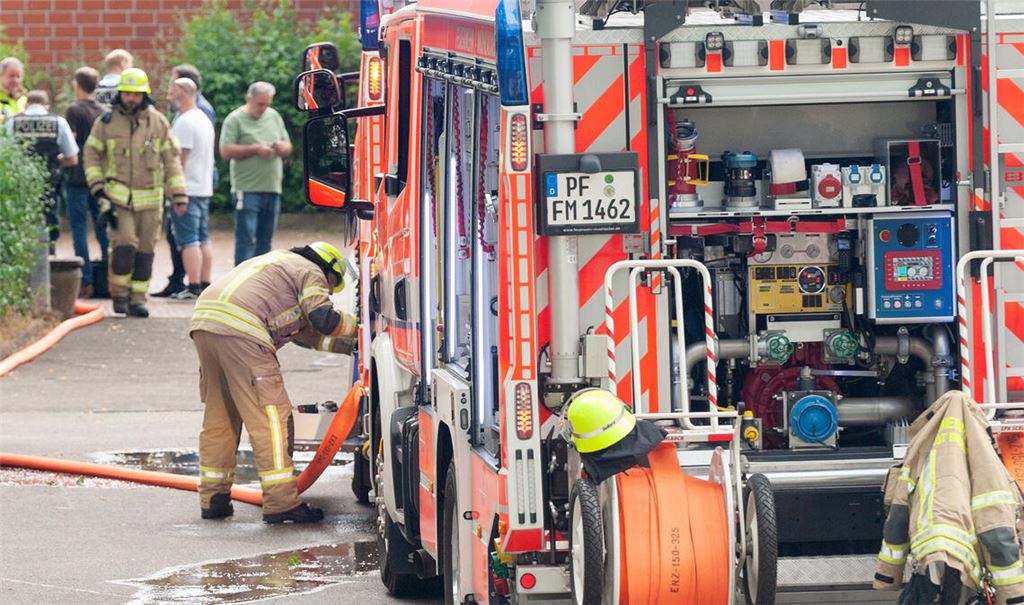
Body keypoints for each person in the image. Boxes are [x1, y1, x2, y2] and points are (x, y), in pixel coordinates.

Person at [189, 242, 358, 523]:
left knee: (221, 418)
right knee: (271, 417)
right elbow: (323, 319)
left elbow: (309, 334)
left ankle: (214, 498)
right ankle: (281, 502)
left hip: (206, 323)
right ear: (328, 269)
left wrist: (351, 345)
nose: (329, 291)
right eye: (332, 285)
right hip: (243, 330)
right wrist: (365, 326)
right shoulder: (311, 271)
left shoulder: (278, 266)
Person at [83, 68, 187, 318]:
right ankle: (119, 294)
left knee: (146, 250)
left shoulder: (157, 122)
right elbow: (91, 154)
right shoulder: (105, 123)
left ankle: (138, 299)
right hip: (119, 199)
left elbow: (171, 160)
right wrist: (98, 187)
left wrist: (179, 194)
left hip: (151, 200)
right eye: (127, 93)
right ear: (120, 94)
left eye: (136, 94)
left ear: (144, 96)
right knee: (124, 245)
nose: (131, 98)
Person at [154, 63, 217, 299]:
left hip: (187, 189)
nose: (169, 95)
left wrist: (172, 188)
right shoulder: (203, 119)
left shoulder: (184, 122)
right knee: (203, 238)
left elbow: (179, 160)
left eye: (171, 91)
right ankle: (205, 283)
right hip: (203, 188)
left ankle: (193, 287)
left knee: (188, 241)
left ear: (181, 93)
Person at [219, 81, 292, 266]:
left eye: (267, 103)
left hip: (273, 187)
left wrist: (282, 147)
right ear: (248, 99)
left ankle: (260, 279)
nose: (264, 108)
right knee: (246, 239)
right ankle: (241, 281)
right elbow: (225, 151)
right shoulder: (234, 119)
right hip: (247, 188)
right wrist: (256, 149)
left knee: (265, 240)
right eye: (260, 104)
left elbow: (288, 145)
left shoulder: (274, 116)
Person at [7, 90, 79, 254]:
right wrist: (55, 160)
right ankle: (48, 260)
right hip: (50, 181)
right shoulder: (58, 122)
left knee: (22, 223)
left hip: (20, 183)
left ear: (26, 105)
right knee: (49, 220)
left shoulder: (13, 122)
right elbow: (72, 158)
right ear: (47, 106)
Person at [64, 67, 109, 298]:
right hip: (98, 179)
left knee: (80, 230)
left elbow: (70, 142)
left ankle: (86, 282)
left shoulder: (73, 110)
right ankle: (110, 278)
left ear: (77, 85)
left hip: (77, 179)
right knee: (103, 228)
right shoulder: (103, 111)